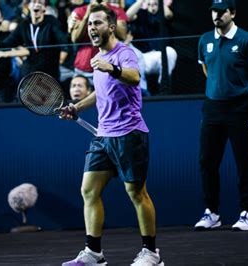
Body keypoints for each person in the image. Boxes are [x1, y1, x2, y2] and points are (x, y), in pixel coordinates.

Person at [60, 5, 163, 265]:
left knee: (137, 193)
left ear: (112, 26)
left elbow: (134, 76)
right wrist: (76, 107)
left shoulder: (124, 53)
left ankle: (151, 254)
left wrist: (111, 68)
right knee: (88, 190)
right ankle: (94, 253)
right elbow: (100, 93)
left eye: (97, 23)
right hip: (103, 136)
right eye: (90, 24)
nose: (92, 28)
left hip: (129, 133)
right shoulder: (98, 59)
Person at [194, 0, 248, 232]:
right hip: (212, 107)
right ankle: (212, 213)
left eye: (222, 11)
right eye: (214, 11)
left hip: (239, 107)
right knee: (207, 161)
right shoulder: (204, 40)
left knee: (244, 161)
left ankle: (247, 214)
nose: (217, 15)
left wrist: (238, 89)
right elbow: (207, 70)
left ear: (232, 13)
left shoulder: (247, 40)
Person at [0, 0, 69, 81]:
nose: (37, 4)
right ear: (28, 6)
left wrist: (60, 59)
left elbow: (64, 41)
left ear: (44, 8)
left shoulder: (52, 22)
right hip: (29, 74)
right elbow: (7, 44)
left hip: (49, 74)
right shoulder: (24, 24)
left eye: (40, 3)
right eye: (34, 2)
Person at [68, 0, 127, 86]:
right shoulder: (80, 11)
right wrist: (87, 15)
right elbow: (75, 38)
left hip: (109, 66)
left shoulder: (116, 10)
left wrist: (107, 14)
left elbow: (122, 35)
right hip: (83, 68)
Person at [126, 0, 177, 89]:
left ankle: (163, 86)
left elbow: (168, 15)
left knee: (170, 52)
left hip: (159, 57)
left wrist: (159, 3)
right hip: (143, 57)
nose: (152, 6)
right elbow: (128, 16)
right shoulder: (141, 14)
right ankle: (141, 90)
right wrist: (142, 1)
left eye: (155, 4)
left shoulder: (162, 14)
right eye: (150, 4)